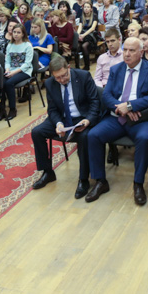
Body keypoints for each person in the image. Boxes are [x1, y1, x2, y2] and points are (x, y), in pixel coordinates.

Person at [85, 37, 148, 206]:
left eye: (131, 50)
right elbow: (106, 95)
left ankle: (138, 184)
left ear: (141, 52)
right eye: (125, 49)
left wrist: (130, 106)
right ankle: (100, 181)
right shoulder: (116, 69)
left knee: (143, 139)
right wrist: (122, 109)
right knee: (93, 135)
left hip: (140, 119)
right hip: (116, 117)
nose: (126, 54)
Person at [31, 56, 100, 198]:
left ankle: (83, 179)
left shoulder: (83, 76)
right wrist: (58, 123)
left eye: (64, 75)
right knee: (37, 132)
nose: (62, 80)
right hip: (62, 119)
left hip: (82, 118)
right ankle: (48, 172)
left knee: (84, 137)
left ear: (68, 67)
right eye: (57, 78)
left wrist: (87, 120)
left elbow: (95, 102)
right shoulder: (50, 83)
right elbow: (52, 110)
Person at [0, 24, 33, 122]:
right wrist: (7, 70)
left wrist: (13, 73)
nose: (16, 34)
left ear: (23, 34)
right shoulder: (10, 45)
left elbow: (27, 64)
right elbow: (7, 61)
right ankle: (2, 110)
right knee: (1, 82)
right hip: (11, 70)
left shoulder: (27, 45)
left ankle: (12, 109)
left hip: (24, 71)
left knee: (9, 83)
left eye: (18, 32)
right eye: (14, 32)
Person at [77, 1, 99, 71]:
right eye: (85, 7)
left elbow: (92, 28)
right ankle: (77, 66)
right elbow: (80, 28)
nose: (86, 8)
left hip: (92, 35)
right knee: (77, 45)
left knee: (84, 46)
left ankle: (87, 66)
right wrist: (78, 35)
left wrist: (83, 35)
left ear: (91, 9)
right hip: (83, 35)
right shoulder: (82, 17)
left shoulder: (94, 16)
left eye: (88, 7)